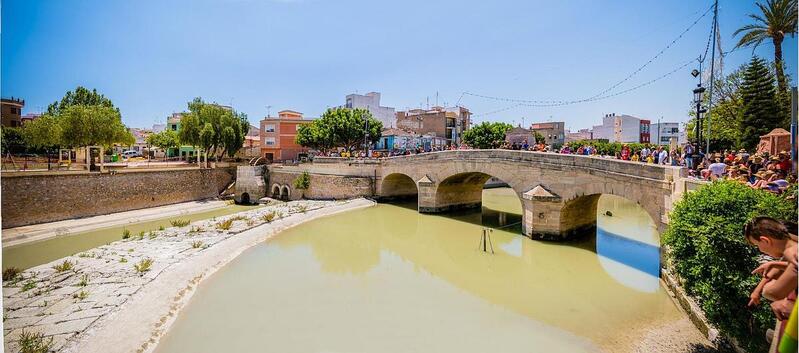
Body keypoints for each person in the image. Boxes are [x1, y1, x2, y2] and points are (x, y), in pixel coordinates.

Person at [745, 217, 798, 344]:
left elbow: (773, 292)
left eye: (757, 245)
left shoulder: (794, 254)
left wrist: (767, 289)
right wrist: (776, 264)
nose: (759, 250)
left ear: (765, 240)